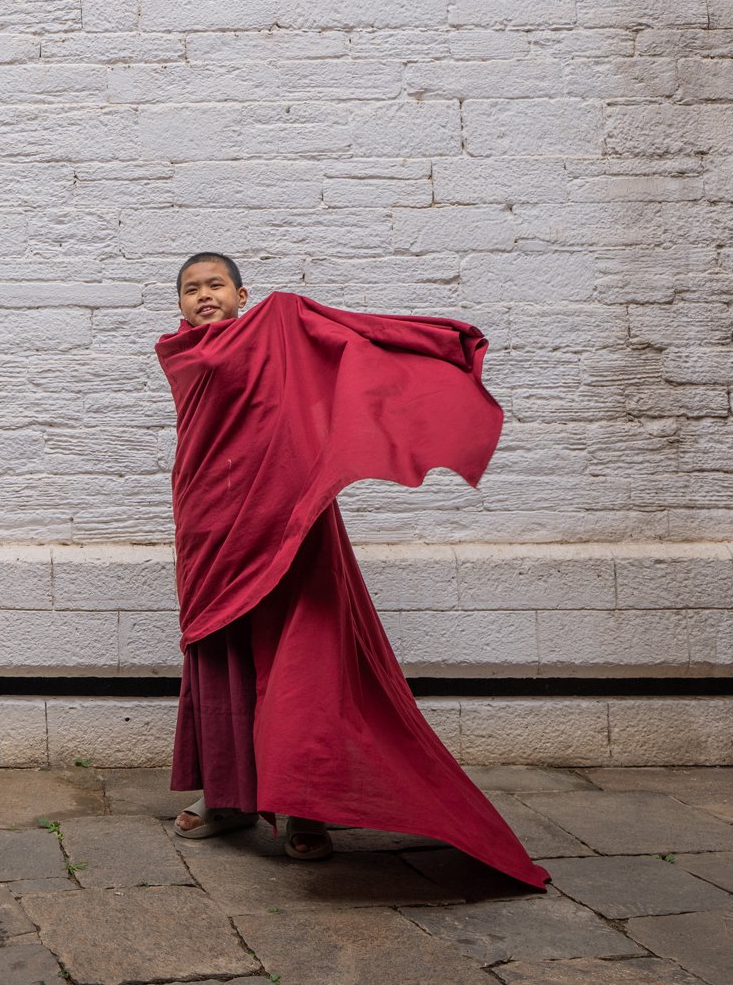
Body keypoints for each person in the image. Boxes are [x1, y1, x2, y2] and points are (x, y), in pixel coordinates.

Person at [158, 252, 548, 887]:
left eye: (216, 285)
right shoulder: (178, 354)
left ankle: (306, 805)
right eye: (190, 289)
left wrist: (430, 346)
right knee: (219, 647)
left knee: (304, 657)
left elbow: (349, 340)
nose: (204, 295)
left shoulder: (278, 324)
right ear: (179, 303)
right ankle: (229, 798)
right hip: (207, 517)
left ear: (241, 294)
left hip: (287, 512)